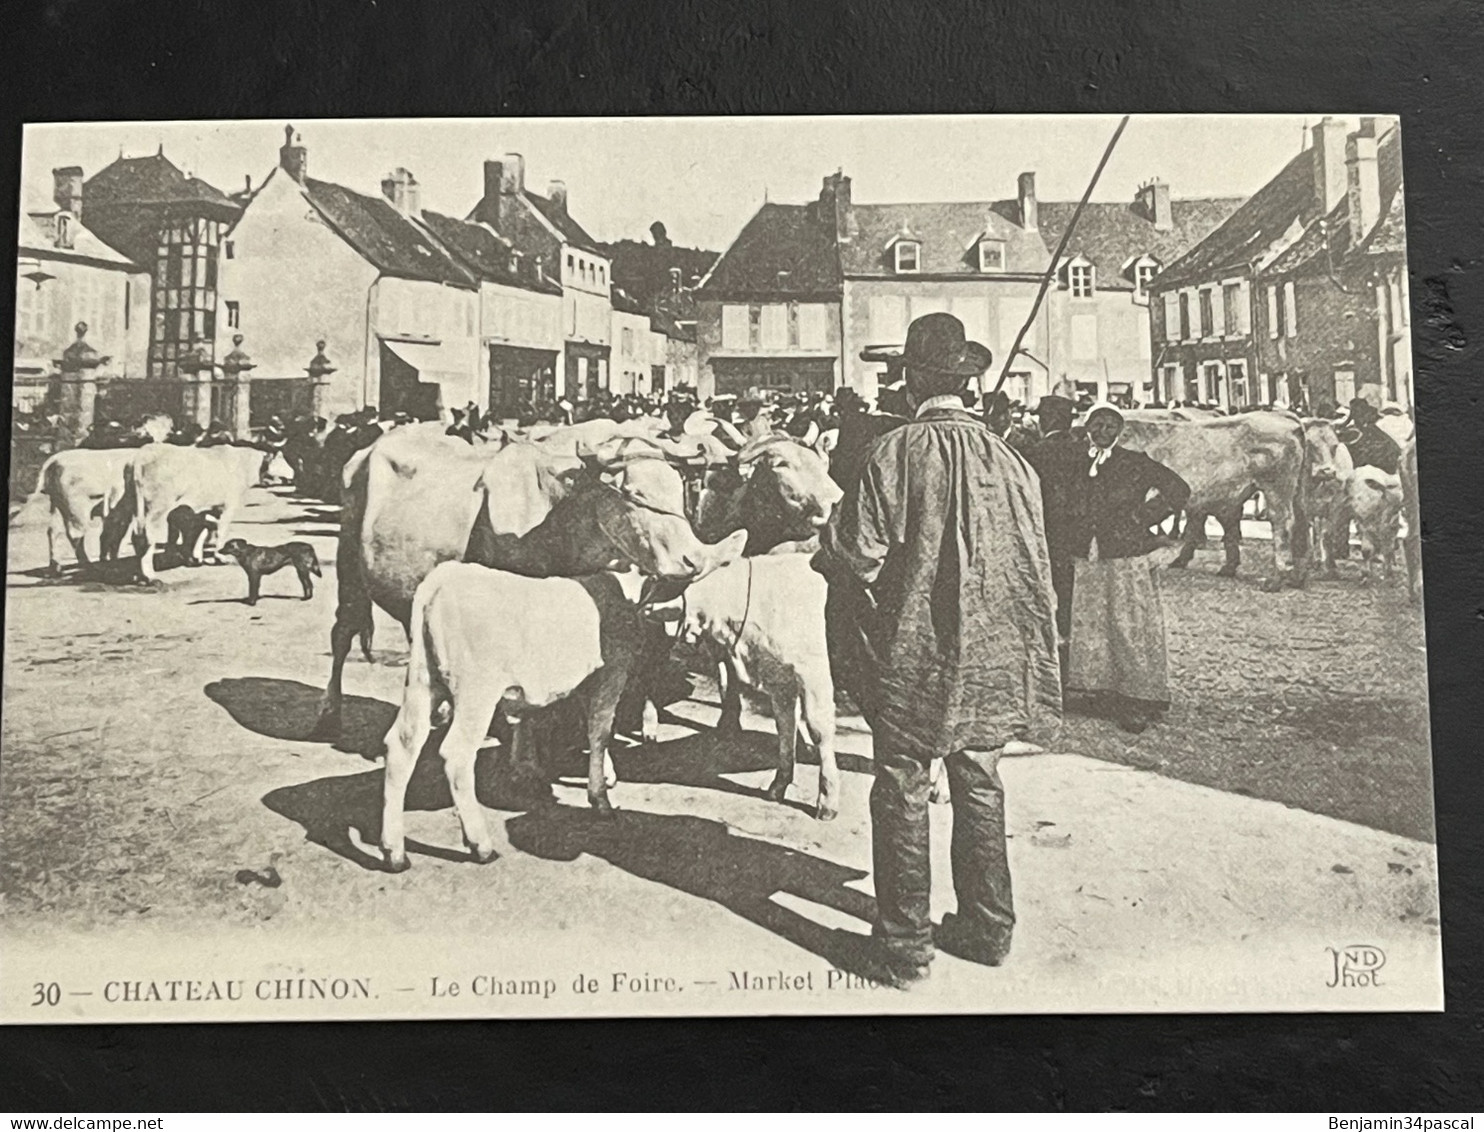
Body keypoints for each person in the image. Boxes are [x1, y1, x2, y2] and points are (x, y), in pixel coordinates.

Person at [818, 312, 1062, 987]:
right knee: (980, 782)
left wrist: (825, 543)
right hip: (992, 653)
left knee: (902, 788)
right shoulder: (1014, 461)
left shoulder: (893, 453)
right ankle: (989, 930)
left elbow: (856, 558)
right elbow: (1034, 565)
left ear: (913, 382)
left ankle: (905, 948)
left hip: (913, 656)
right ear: (969, 385)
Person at [1064, 402, 1191, 734]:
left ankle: (1137, 697)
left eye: (1109, 426)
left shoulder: (1134, 463)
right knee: (1094, 623)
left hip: (1125, 555)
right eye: (1097, 424)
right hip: (1088, 555)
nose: (1102, 431)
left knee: (1128, 623)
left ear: (1119, 432)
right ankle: (1101, 690)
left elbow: (1179, 490)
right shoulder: (1077, 462)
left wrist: (1144, 518)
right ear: (1087, 427)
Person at [1022, 385, 1084, 679]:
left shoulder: (1035, 453)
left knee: (1046, 594)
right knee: (1072, 596)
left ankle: (1050, 662)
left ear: (1045, 421)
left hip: (1044, 532)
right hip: (1078, 535)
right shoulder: (1083, 452)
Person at [1336, 396, 1401, 474]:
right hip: (1368, 430)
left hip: (1369, 430)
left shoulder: (1364, 412)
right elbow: (1349, 420)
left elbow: (1360, 423)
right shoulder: (1359, 411)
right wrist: (1340, 427)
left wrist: (1341, 428)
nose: (1353, 409)